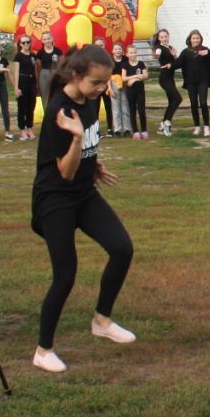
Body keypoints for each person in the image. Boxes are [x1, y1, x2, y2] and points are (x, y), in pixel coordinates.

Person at [31, 46, 138, 373]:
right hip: (55, 199)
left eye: (105, 82)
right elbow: (63, 170)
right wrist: (77, 141)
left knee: (122, 248)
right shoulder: (59, 112)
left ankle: (102, 320)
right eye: (96, 82)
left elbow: (85, 148)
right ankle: (43, 350)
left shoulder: (89, 98)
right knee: (65, 275)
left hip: (83, 192)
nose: (102, 89)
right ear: (76, 77)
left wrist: (93, 164)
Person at [178, 29, 210, 137]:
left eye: (197, 38)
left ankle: (207, 127)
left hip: (203, 81)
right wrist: (170, 60)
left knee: (203, 103)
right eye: (193, 38)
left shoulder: (205, 50)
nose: (195, 40)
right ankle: (197, 127)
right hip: (191, 82)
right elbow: (178, 63)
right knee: (193, 104)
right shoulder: (186, 52)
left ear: (200, 39)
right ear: (190, 39)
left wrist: (209, 53)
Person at [152, 30, 182, 136]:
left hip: (171, 78)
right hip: (164, 78)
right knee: (178, 99)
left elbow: (176, 63)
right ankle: (167, 122)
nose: (164, 38)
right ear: (159, 39)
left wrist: (174, 56)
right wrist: (157, 54)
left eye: (166, 36)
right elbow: (156, 54)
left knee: (172, 101)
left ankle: (162, 124)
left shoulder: (170, 48)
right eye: (162, 37)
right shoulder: (159, 48)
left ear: (168, 36)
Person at [13, 42, 39, 141]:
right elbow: (16, 72)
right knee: (22, 107)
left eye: (28, 42)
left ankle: (30, 128)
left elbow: (36, 69)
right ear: (20, 44)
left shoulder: (33, 55)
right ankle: (22, 130)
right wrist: (16, 87)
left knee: (31, 107)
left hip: (32, 82)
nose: (26, 44)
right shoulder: (18, 56)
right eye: (23, 43)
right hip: (22, 82)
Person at [122, 45, 149, 140]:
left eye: (134, 52)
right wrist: (137, 76)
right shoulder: (125, 65)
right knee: (132, 110)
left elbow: (145, 75)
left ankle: (144, 130)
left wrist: (133, 79)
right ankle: (136, 131)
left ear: (137, 53)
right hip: (130, 91)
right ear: (127, 54)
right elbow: (124, 78)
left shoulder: (141, 63)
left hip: (140, 90)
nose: (133, 54)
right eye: (131, 53)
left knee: (141, 110)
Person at [106, 42, 131, 138]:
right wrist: (109, 88)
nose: (118, 51)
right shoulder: (110, 61)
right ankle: (117, 129)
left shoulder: (126, 59)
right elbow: (108, 75)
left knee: (125, 106)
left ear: (122, 51)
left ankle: (127, 129)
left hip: (124, 83)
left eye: (119, 49)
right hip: (114, 84)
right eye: (116, 49)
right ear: (112, 51)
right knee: (115, 107)